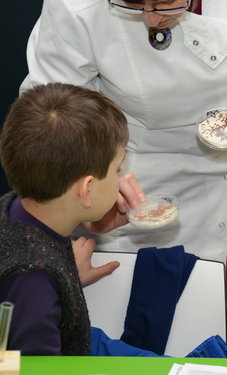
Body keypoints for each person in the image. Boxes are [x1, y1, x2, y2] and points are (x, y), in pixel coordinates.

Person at [19, 0, 227, 358]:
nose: (151, 18)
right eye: (131, 3)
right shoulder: (74, 7)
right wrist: (89, 204)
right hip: (125, 184)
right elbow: (52, 119)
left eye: (167, 2)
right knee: (129, 349)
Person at [0, 82, 130, 355]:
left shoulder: (11, 207)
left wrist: (66, 280)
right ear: (87, 189)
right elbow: (32, 370)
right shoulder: (32, 282)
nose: (120, 179)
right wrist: (49, 284)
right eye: (117, 170)